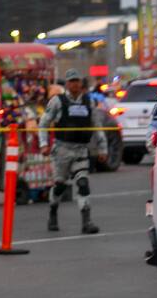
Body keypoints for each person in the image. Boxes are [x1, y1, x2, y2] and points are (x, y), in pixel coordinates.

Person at [40, 69, 107, 234]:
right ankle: (53, 212)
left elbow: (97, 126)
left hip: (81, 150)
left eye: (77, 81)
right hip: (62, 149)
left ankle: (87, 221)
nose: (75, 84)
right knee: (60, 186)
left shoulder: (88, 101)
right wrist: (43, 144)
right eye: (71, 81)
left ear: (81, 83)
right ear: (67, 84)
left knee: (83, 184)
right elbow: (44, 123)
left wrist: (102, 148)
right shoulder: (57, 101)